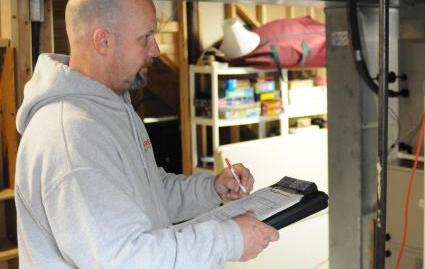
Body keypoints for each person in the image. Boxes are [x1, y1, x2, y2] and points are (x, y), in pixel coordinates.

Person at [14, 0, 279, 268]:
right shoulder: (71, 136)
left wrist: (211, 189)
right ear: (103, 41)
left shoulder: (113, 108)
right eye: (146, 37)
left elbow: (150, 192)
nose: (156, 49)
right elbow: (126, 258)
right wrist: (230, 239)